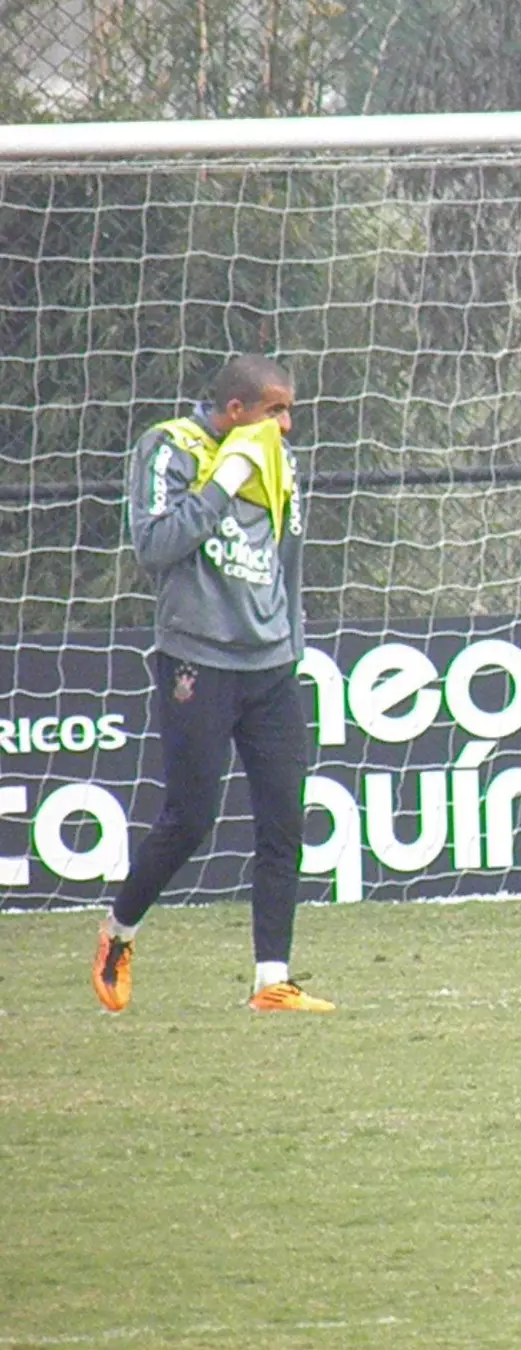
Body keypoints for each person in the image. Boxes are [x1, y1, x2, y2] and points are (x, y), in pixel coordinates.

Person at [94, 353, 332, 1015]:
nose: (286, 426)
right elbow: (155, 546)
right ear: (236, 412)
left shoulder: (279, 461)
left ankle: (271, 981)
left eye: (290, 411)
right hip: (196, 659)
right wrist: (226, 479)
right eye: (275, 411)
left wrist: (291, 649)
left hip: (271, 669)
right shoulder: (169, 448)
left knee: (284, 820)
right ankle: (120, 933)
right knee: (190, 818)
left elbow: (288, 560)